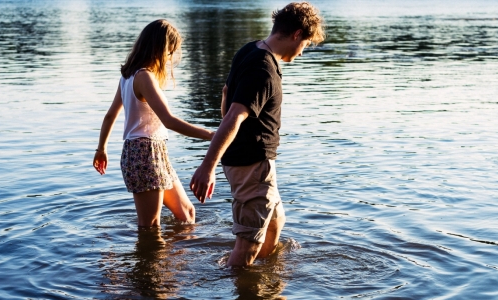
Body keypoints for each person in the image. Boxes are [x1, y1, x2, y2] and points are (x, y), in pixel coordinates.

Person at [190, 2, 325, 267]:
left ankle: (263, 283)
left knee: (275, 222)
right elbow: (233, 115)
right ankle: (238, 296)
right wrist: (208, 166)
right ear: (297, 34)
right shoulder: (262, 69)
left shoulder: (250, 50)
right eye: (306, 44)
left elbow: (226, 96)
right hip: (251, 165)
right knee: (249, 243)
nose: (302, 51)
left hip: (253, 164)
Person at [93, 19, 214, 228]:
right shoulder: (143, 77)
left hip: (152, 152)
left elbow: (110, 115)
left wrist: (102, 149)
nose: (169, 58)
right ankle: (149, 260)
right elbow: (169, 120)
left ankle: (172, 260)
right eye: (169, 51)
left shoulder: (128, 76)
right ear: (159, 48)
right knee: (150, 226)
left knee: (187, 214)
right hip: (144, 152)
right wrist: (212, 135)